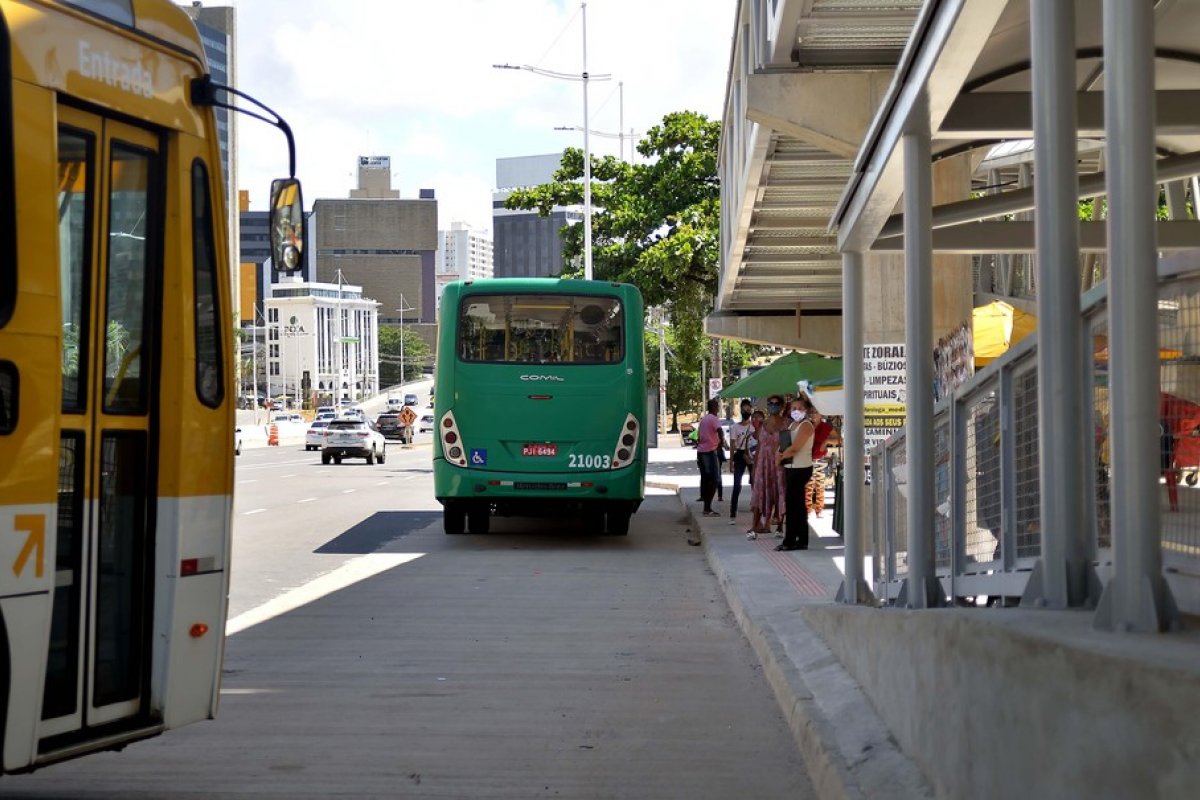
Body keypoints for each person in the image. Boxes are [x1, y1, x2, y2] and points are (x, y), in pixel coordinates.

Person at [775, 396, 816, 551]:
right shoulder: (792, 424)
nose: (796, 411)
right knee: (795, 504)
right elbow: (784, 444)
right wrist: (778, 455)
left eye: (800, 408)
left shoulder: (806, 426)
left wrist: (780, 456)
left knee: (794, 505)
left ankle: (792, 540)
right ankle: (798, 539)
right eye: (793, 408)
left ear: (806, 410)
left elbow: (795, 448)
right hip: (790, 467)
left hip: (801, 468)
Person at [749, 394, 788, 539]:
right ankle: (754, 526)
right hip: (763, 465)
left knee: (780, 493)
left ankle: (779, 526)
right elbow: (759, 447)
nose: (773, 406)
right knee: (759, 493)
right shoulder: (763, 425)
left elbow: (787, 446)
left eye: (776, 403)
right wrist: (754, 469)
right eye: (770, 403)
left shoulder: (786, 424)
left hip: (779, 465)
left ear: (782, 406)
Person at [805, 409, 837, 518]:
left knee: (820, 485)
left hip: (821, 459)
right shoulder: (806, 425)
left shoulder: (825, 427)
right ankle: (808, 509)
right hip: (807, 459)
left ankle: (819, 509)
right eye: (811, 412)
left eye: (815, 412)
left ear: (820, 414)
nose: (813, 414)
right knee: (808, 486)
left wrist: (826, 441)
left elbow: (838, 439)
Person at [696, 398, 723, 517]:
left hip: (701, 452)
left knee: (707, 479)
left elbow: (699, 436)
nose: (718, 409)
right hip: (710, 452)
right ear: (714, 407)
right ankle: (707, 507)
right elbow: (720, 430)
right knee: (715, 479)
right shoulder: (713, 419)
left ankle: (706, 507)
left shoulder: (704, 420)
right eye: (717, 406)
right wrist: (720, 444)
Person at [728, 400, 755, 522]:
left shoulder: (754, 427)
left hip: (752, 454)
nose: (746, 412)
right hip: (740, 454)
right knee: (737, 484)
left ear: (751, 410)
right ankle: (733, 512)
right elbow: (733, 445)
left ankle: (756, 508)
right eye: (744, 410)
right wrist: (731, 462)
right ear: (740, 411)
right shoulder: (735, 427)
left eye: (748, 410)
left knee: (755, 483)